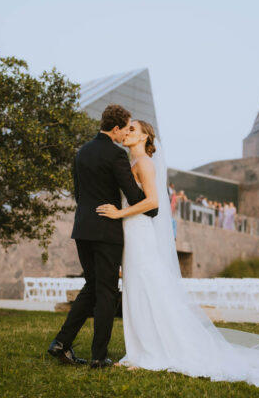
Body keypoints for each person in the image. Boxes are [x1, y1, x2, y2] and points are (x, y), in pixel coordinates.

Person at [96, 119, 259, 386]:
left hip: (139, 231)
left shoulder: (145, 164)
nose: (126, 133)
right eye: (126, 129)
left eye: (132, 130)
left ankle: (152, 352)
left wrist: (119, 213)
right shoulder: (131, 164)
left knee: (147, 289)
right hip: (131, 232)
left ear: (143, 138)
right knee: (137, 289)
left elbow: (153, 202)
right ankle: (138, 350)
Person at [48, 104, 158, 368]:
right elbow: (136, 198)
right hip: (107, 230)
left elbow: (78, 193)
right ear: (117, 128)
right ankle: (99, 356)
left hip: (83, 229)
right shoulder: (116, 155)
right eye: (126, 129)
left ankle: (61, 344)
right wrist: (145, 196)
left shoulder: (82, 152)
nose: (125, 135)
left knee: (92, 286)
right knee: (107, 291)